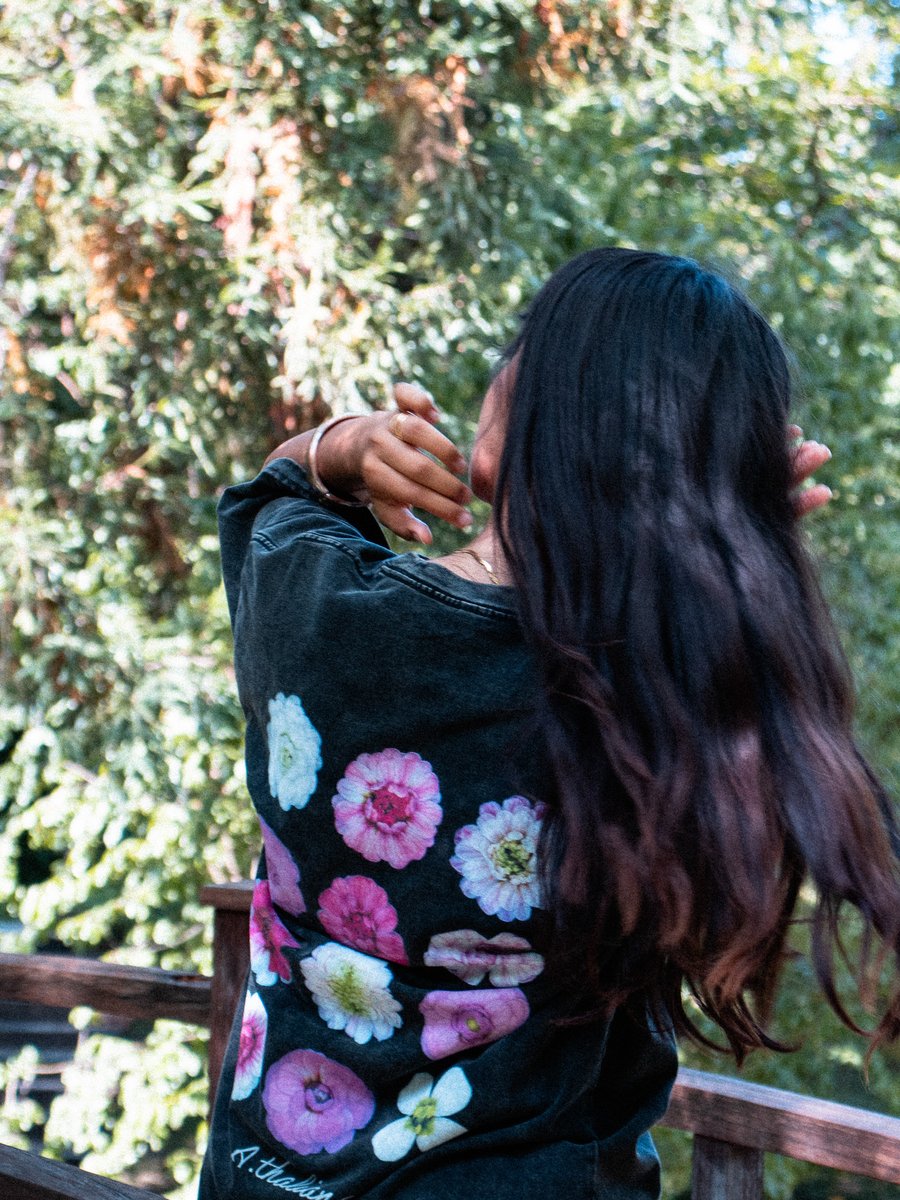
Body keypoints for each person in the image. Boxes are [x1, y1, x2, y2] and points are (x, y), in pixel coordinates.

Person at [198, 248, 899, 1200]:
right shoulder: (657, 701)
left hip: (263, 1178)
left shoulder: (315, 605)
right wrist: (727, 543)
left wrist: (341, 447)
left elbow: (271, 496)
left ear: (529, 403)